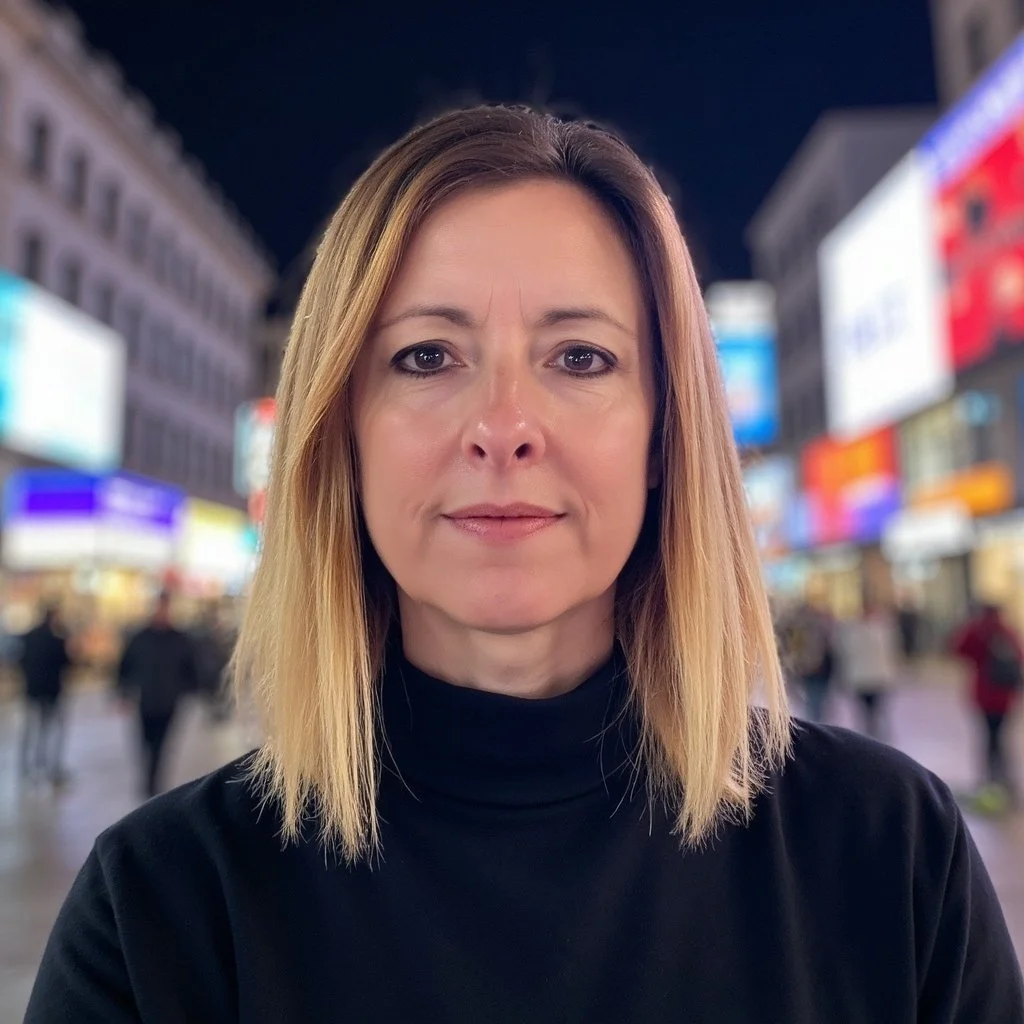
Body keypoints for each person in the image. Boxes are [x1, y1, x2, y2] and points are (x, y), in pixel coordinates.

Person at [26, 106, 1022, 1022]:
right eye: (425, 356)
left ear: (665, 434)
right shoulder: (159, 906)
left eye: (579, 357)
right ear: (339, 431)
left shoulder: (887, 854)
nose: (502, 428)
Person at [116, 591, 199, 799]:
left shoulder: (179, 639)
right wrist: (124, 692)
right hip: (145, 700)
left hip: (168, 702)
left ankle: (153, 784)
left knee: (161, 745)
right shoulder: (140, 637)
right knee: (145, 743)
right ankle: (149, 781)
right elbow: (125, 666)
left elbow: (190, 669)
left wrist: (186, 690)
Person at [951, 601, 1023, 811]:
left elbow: (958, 649)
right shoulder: (1008, 631)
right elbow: (1019, 657)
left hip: (984, 694)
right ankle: (1003, 779)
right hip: (1005, 696)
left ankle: (991, 780)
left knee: (989, 737)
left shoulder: (977, 630)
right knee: (1000, 736)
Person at [17, 605, 72, 785]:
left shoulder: (30, 637)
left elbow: (21, 660)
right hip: (51, 692)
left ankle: (27, 768)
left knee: (32, 730)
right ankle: (50, 767)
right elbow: (66, 663)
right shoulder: (56, 639)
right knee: (51, 730)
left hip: (33, 691)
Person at [836, 599, 901, 741]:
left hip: (876, 677)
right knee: (867, 710)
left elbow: (890, 653)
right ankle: (871, 733)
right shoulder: (855, 631)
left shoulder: (881, 629)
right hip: (863, 677)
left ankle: (875, 732)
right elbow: (846, 652)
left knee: (876, 709)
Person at [783, 598, 835, 723]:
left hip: (816, 669)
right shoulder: (807, 630)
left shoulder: (807, 629)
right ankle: (817, 720)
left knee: (815, 698)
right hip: (812, 669)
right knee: (815, 698)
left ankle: (817, 719)